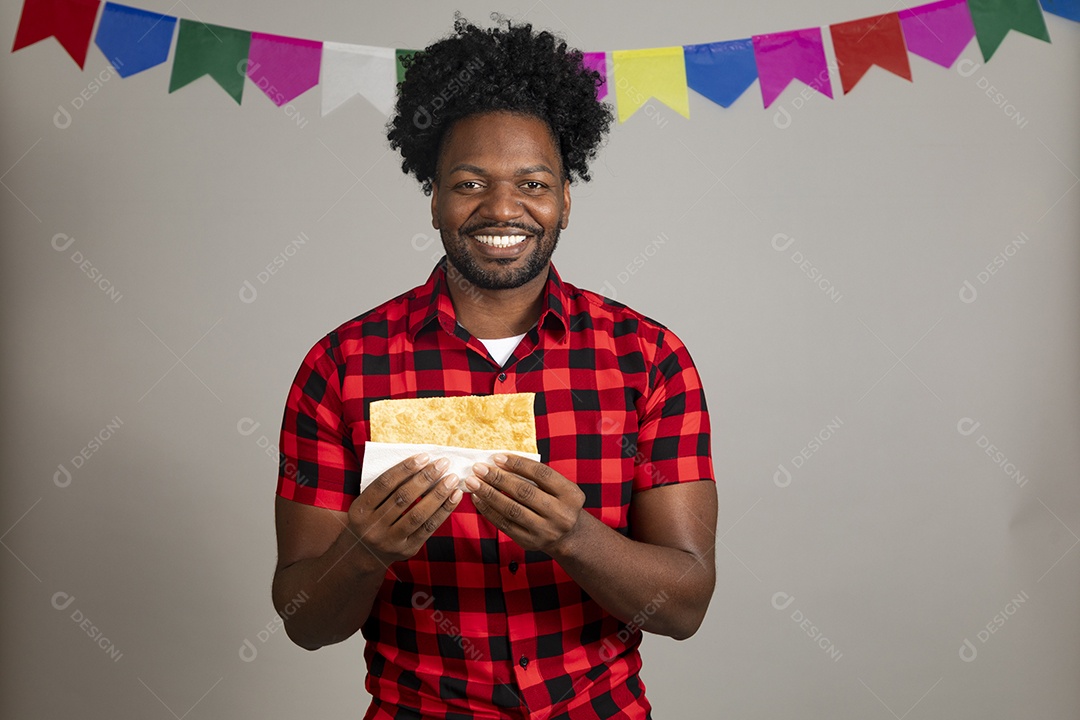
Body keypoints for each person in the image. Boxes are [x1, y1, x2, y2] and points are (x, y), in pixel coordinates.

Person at [273, 15, 717, 719]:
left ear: (565, 201)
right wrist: (362, 550)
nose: (503, 208)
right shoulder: (340, 367)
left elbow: (686, 604)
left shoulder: (649, 359)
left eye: (534, 184)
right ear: (435, 200)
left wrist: (578, 539)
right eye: (470, 183)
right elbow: (304, 621)